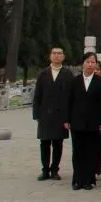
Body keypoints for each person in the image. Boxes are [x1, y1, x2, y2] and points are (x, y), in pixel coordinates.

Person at [66, 52, 101, 190]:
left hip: (94, 122)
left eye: (93, 62)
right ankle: (77, 179)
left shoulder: (100, 82)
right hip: (77, 121)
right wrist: (67, 119)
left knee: (91, 151)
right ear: (82, 64)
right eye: (88, 62)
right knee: (78, 151)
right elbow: (68, 101)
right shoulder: (74, 81)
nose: (90, 64)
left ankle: (89, 180)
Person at [33, 46, 73, 181]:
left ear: (63, 56)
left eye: (59, 53)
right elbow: (37, 96)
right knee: (44, 142)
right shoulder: (43, 74)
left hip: (61, 115)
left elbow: (71, 97)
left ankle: (55, 169)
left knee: (58, 143)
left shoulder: (68, 74)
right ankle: (45, 170)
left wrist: (69, 117)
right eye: (54, 53)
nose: (56, 55)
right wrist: (36, 114)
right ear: (50, 56)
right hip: (45, 114)